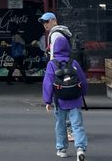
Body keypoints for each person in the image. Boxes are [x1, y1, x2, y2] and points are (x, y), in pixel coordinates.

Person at [42, 29, 88, 160]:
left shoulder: (52, 64)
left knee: (60, 124)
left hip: (59, 100)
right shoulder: (73, 63)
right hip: (75, 99)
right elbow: (83, 81)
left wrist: (47, 101)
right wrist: (82, 93)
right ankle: (80, 149)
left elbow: (48, 83)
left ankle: (62, 149)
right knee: (77, 124)